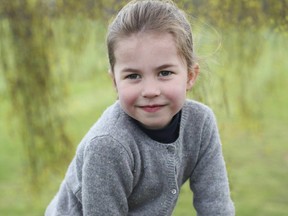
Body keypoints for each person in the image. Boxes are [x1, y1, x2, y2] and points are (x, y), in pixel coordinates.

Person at [45, 0, 235, 215]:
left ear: (190, 76)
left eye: (164, 73)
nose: (150, 90)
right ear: (115, 82)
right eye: (133, 76)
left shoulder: (200, 124)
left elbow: (216, 205)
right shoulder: (108, 145)